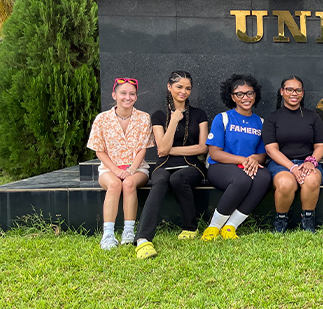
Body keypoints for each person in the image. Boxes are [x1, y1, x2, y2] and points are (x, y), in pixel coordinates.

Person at [134, 71, 209, 259]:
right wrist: (174, 120)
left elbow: (202, 147)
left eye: (188, 88)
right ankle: (143, 239)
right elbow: (162, 149)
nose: (184, 91)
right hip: (164, 164)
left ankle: (190, 227)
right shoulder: (159, 116)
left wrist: (170, 150)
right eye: (179, 87)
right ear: (169, 87)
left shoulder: (200, 114)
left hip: (192, 165)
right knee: (159, 182)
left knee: (178, 178)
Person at [201, 74, 271, 241]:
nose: (245, 97)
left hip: (247, 166)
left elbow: (262, 154)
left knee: (264, 177)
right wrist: (244, 160)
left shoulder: (260, 123)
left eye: (249, 93)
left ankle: (231, 227)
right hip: (220, 167)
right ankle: (214, 227)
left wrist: (255, 158)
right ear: (232, 97)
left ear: (255, 95)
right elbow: (215, 153)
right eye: (239, 94)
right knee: (242, 180)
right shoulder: (223, 118)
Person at [87, 77, 154, 250]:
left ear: (136, 97)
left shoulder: (144, 118)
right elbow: (99, 150)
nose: (127, 97)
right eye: (123, 93)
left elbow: (142, 149)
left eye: (132, 94)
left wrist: (131, 169)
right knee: (115, 184)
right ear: (114, 95)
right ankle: (108, 234)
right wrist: (116, 169)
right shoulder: (102, 119)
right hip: (109, 168)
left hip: (137, 168)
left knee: (129, 183)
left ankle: (129, 232)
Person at [263, 76, 323, 233]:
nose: (294, 93)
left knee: (311, 180)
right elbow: (271, 150)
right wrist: (292, 167)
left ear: (302, 93)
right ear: (282, 91)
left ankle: (307, 221)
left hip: (308, 163)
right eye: (289, 89)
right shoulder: (273, 118)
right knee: (286, 183)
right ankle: (281, 221)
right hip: (280, 164)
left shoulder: (313, 117)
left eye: (298, 90)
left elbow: (320, 146)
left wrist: (311, 162)